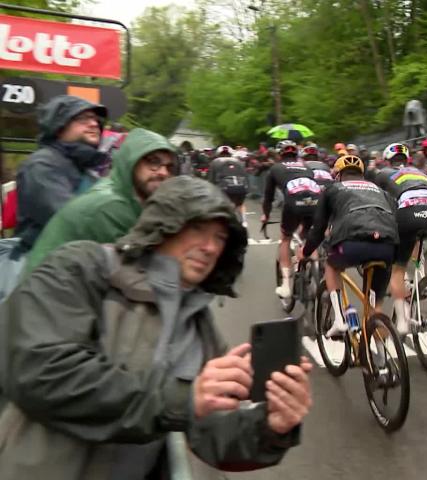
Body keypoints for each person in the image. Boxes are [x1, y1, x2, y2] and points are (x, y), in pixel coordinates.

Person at [0, 176, 312, 478]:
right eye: (199, 228)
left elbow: (211, 437)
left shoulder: (199, 326)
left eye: (220, 237)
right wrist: (181, 399)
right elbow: (42, 370)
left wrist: (271, 426)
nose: (210, 247)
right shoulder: (80, 267)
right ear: (164, 224)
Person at [24, 128, 177, 272]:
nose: (163, 172)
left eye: (169, 167)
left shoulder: (122, 191)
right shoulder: (111, 207)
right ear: (131, 161)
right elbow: (136, 267)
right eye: (153, 162)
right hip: (48, 293)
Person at [300, 155, 398, 337]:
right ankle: (380, 358)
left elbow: (318, 228)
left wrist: (306, 252)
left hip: (351, 242)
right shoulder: (379, 190)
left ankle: (340, 319)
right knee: (376, 307)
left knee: (331, 265)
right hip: (387, 244)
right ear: (362, 175)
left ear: (337, 175)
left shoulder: (333, 189)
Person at [14, 95, 109, 253]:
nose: (94, 124)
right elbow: (67, 218)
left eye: (95, 120)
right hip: (43, 265)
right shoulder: (42, 165)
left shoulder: (85, 166)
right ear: (59, 127)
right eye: (83, 119)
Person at [375, 143, 427, 335]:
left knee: (397, 268)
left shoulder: (383, 173)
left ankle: (403, 322)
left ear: (387, 160)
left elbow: (379, 203)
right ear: (407, 160)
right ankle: (419, 273)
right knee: (416, 234)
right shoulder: (420, 173)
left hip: (408, 213)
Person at [262, 143, 322, 299]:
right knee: (307, 236)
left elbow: (268, 198)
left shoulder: (275, 168)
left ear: (280, 154)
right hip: (315, 201)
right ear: (296, 155)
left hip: (293, 203)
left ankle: (286, 286)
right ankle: (316, 270)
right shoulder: (306, 167)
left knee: (285, 239)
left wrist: (266, 216)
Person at [209, 146, 250, 228]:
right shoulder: (238, 161)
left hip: (224, 188)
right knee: (240, 204)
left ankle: (223, 223)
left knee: (220, 204)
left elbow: (211, 179)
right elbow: (245, 176)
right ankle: (244, 221)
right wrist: (247, 188)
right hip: (241, 187)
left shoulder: (215, 162)